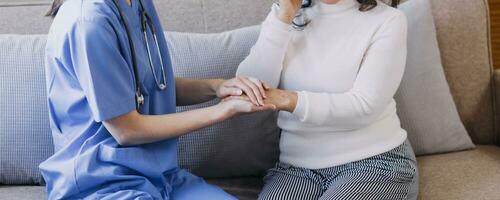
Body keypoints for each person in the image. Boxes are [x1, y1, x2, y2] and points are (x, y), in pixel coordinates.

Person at [40, 0, 274, 199]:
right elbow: (127, 130)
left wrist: (217, 87)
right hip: (103, 183)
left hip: (161, 176)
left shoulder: (136, 3)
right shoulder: (88, 23)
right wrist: (223, 110)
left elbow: (152, 85)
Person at [236, 0, 418, 199]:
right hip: (296, 167)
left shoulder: (388, 20)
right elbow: (247, 89)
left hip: (375, 161)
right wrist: (285, 16)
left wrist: (286, 99)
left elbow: (364, 107)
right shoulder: (286, 15)